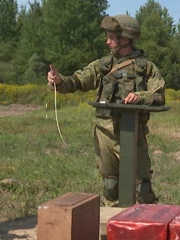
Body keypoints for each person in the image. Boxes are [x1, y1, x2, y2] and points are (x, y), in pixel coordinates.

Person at [47, 14, 166, 207]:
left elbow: (159, 93)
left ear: (125, 38)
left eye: (111, 37)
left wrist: (141, 97)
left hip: (132, 133)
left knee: (141, 189)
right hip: (104, 133)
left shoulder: (146, 67)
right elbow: (78, 81)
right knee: (110, 186)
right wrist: (59, 81)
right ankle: (112, 227)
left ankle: (146, 229)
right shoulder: (102, 65)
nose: (107, 41)